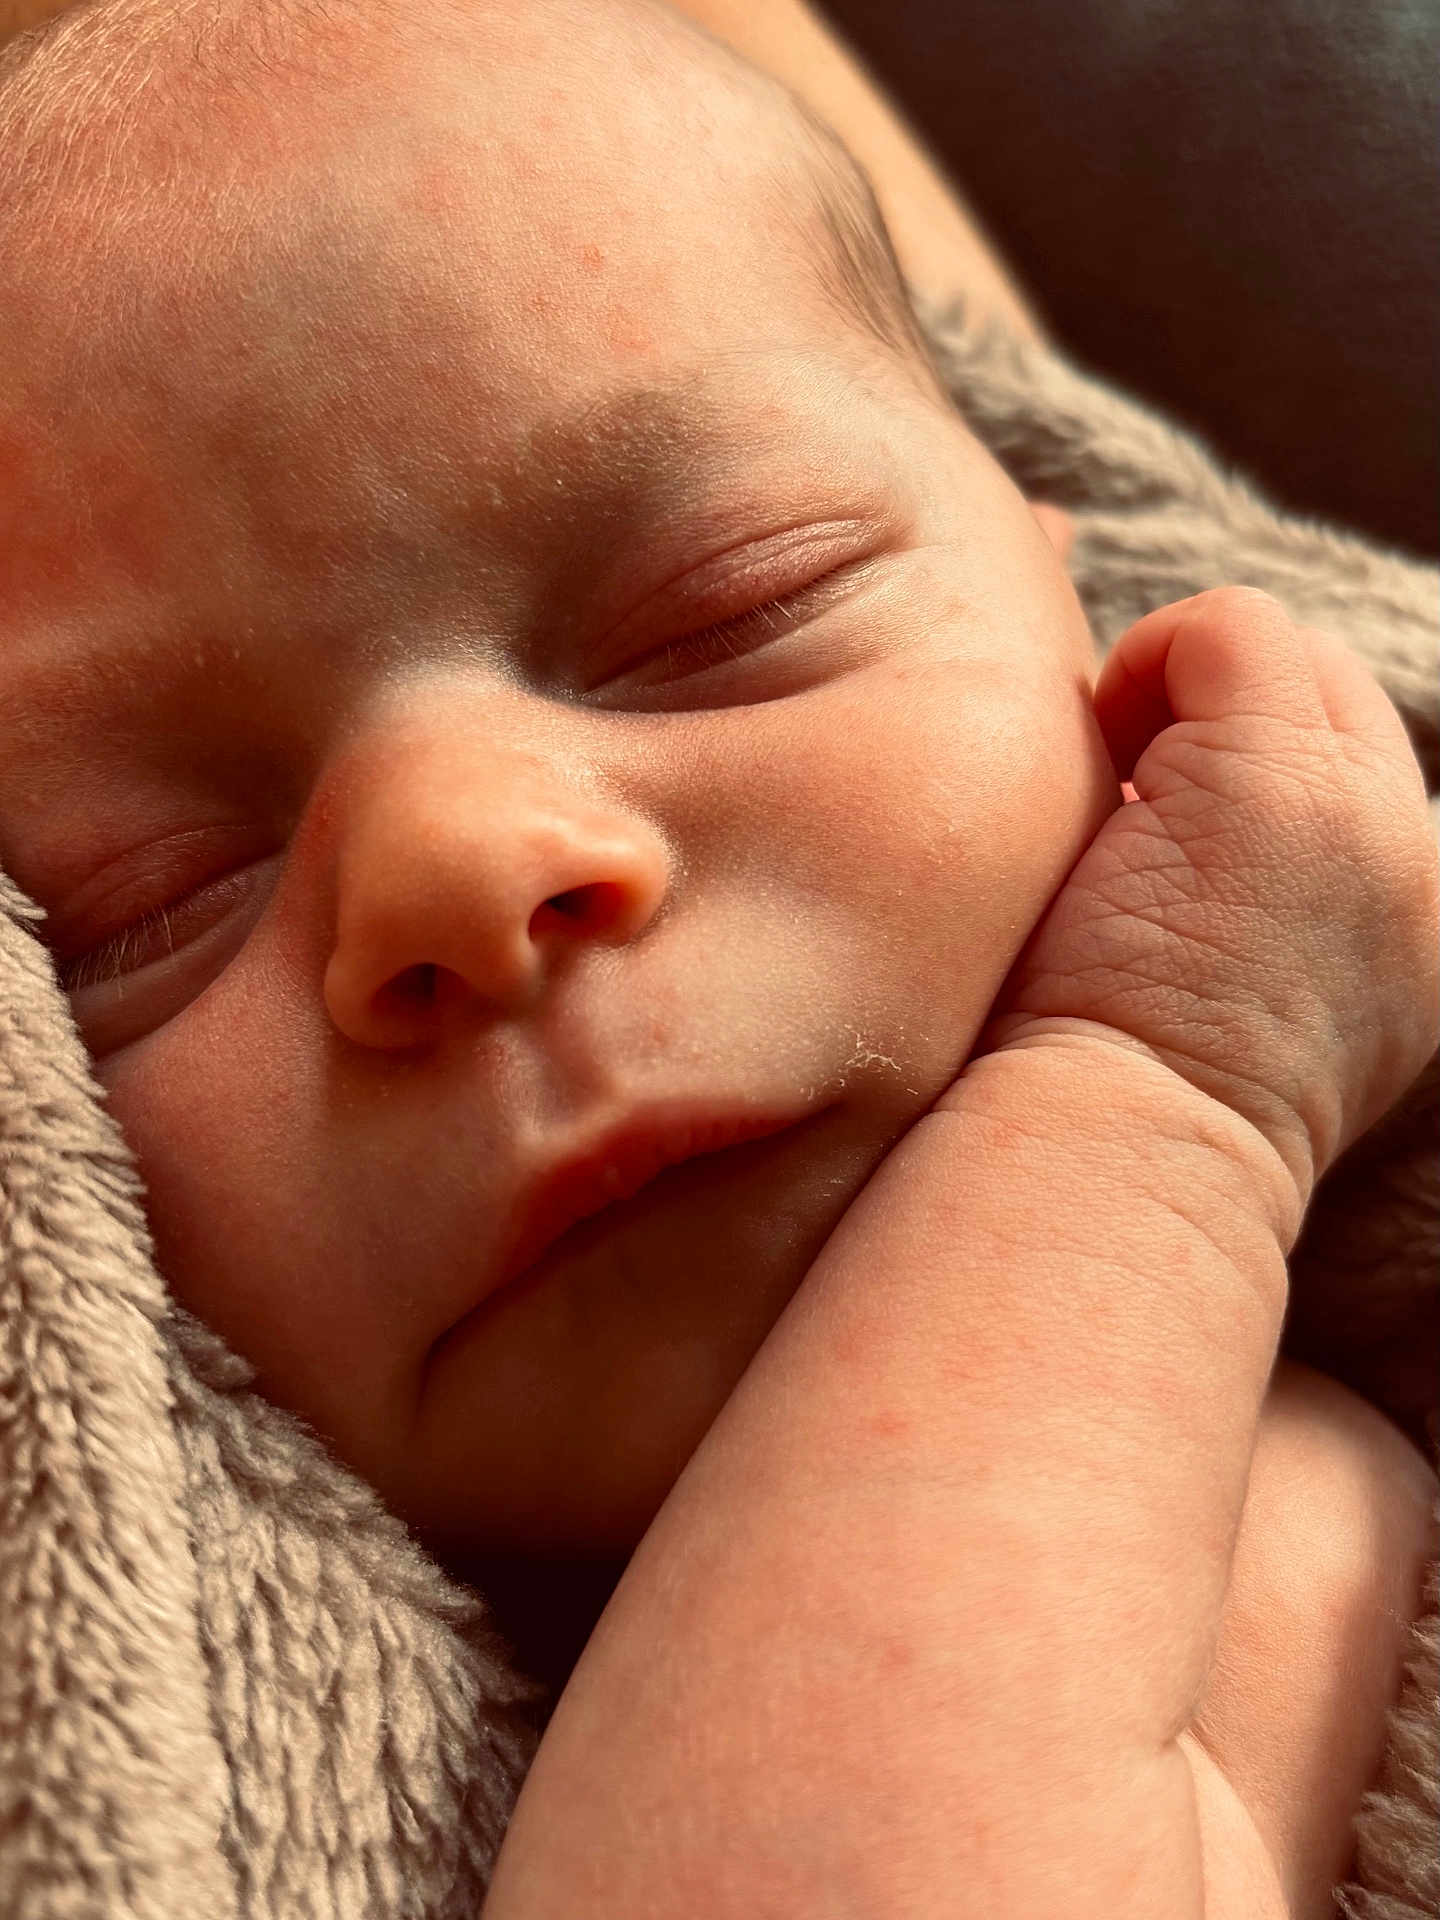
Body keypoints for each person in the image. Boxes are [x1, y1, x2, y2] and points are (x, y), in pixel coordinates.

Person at [0, 0, 1433, 1913]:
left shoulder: (1279, 1498)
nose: (460, 863)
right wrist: (1159, 1107)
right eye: (144, 901)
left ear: (1071, 602)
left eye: (721, 609)